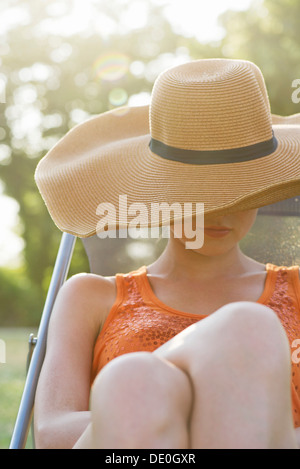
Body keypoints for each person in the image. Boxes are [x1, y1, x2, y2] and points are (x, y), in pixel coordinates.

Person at [34, 59, 300, 449]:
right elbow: (52, 434)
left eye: (241, 191)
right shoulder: (90, 296)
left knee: (246, 329)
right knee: (137, 379)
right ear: (160, 196)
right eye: (196, 192)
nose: (221, 209)